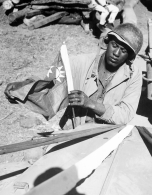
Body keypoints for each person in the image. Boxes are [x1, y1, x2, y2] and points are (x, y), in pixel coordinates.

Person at [4, 23, 144, 130]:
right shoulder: (81, 62)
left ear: (129, 57)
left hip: (108, 135)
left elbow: (125, 114)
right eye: (114, 45)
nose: (116, 53)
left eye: (123, 50)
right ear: (107, 43)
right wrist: (23, 86)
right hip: (74, 131)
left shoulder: (133, 76)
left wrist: (91, 104)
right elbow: (52, 77)